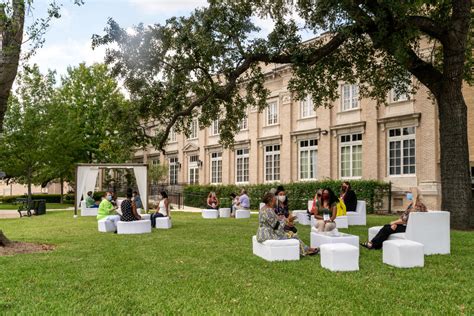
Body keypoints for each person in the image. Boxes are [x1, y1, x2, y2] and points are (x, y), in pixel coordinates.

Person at [361, 188, 427, 249]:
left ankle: (372, 244)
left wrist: (394, 222)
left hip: (410, 227)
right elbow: (404, 218)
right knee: (387, 226)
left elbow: (405, 220)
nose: (407, 194)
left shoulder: (416, 206)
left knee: (387, 228)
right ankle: (374, 244)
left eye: (409, 192)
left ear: (413, 194)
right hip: (409, 226)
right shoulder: (417, 204)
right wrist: (396, 224)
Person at [257, 192, 318, 256]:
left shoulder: (263, 208)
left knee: (290, 232)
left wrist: (280, 219)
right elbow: (276, 227)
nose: (276, 201)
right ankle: (307, 250)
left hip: (263, 233)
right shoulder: (268, 210)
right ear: (270, 200)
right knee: (292, 235)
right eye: (275, 199)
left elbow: (272, 222)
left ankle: (306, 249)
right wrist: (286, 220)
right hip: (267, 234)